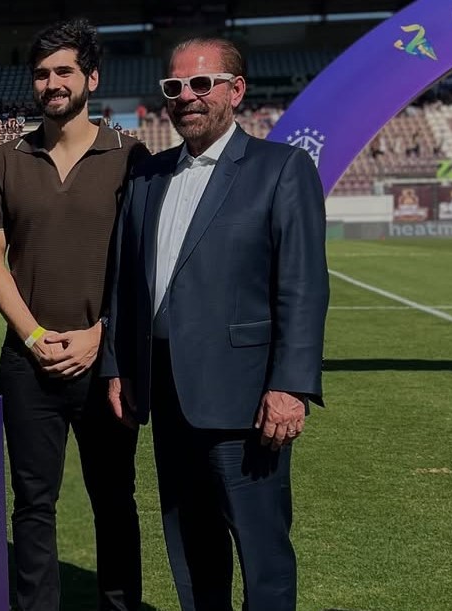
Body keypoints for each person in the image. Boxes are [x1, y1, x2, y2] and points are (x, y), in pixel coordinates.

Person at [102, 37, 329, 610]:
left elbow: (302, 287)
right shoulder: (147, 177)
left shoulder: (281, 168)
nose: (187, 96)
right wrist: (117, 368)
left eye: (202, 83)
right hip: (166, 395)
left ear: (236, 90)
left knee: (261, 551)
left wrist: (290, 385)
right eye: (174, 86)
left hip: (246, 401)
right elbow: (124, 286)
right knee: (191, 547)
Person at [0, 19, 150, 611]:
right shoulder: (5, 160)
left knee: (115, 500)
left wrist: (102, 334)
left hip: (106, 363)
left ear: (91, 79)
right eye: (41, 73)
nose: (52, 83)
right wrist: (32, 335)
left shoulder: (131, 156)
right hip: (28, 363)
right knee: (33, 505)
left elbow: (142, 263)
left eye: (64, 71)